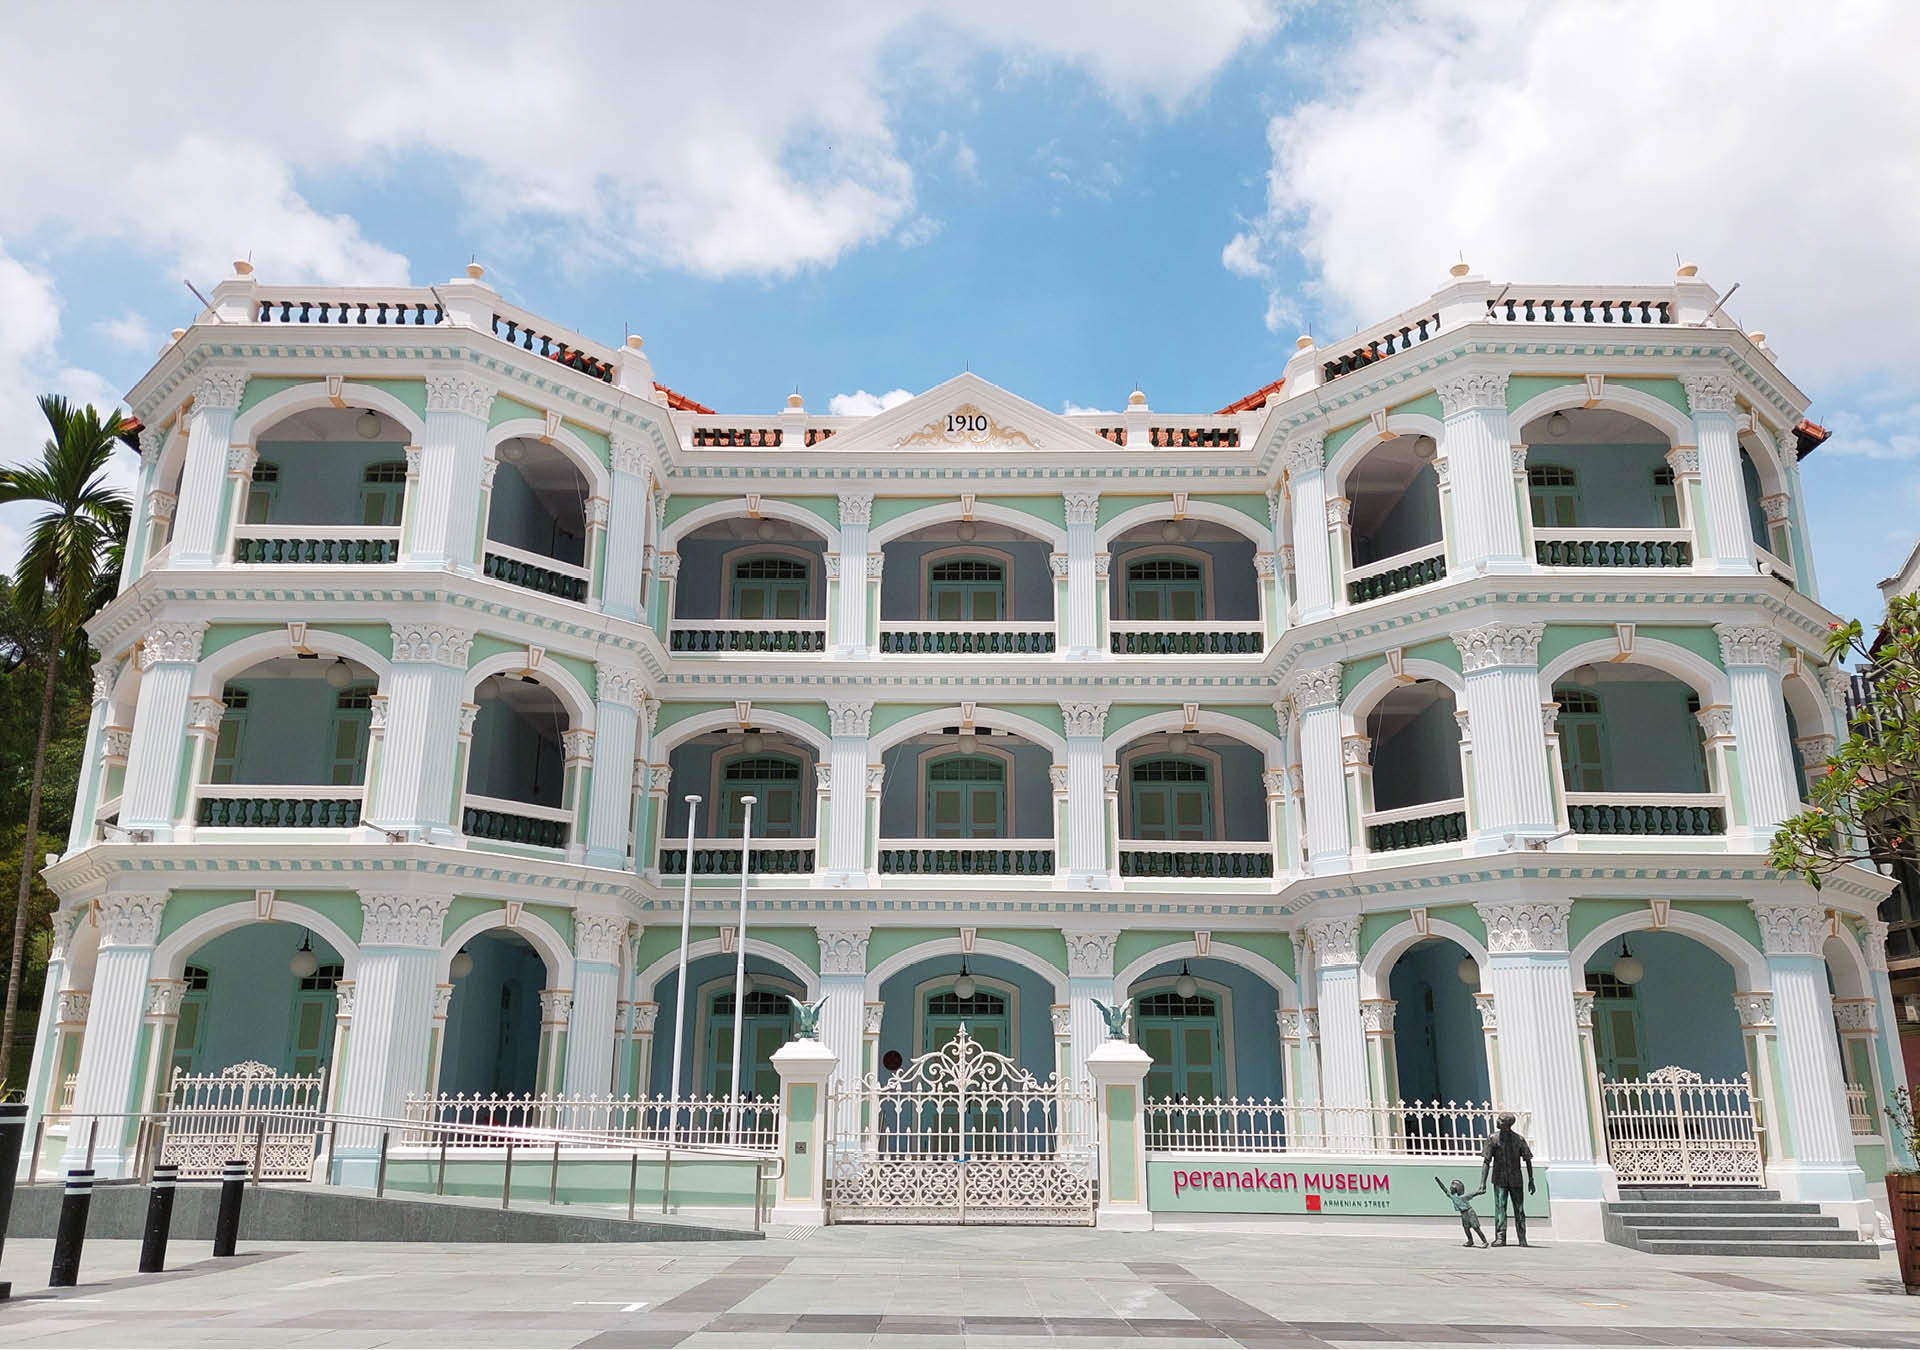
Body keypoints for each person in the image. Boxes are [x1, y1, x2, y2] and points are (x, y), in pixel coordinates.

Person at [1478, 1112, 1535, 1247]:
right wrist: (1482, 1183)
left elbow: (1527, 1160)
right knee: (1500, 1208)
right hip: (1499, 1179)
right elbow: (1486, 1161)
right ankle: (1500, 1237)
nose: (1497, 1121)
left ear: (1508, 1125)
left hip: (1516, 1179)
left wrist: (1531, 1179)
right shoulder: (1492, 1138)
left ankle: (1522, 1238)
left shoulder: (1519, 1140)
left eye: (1501, 1120)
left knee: (1519, 1209)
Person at [1435, 1176, 1489, 1248]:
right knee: (1466, 1228)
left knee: (1476, 1228)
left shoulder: (1464, 1196)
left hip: (1470, 1212)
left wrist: (1480, 1191)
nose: (1450, 1189)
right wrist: (1438, 1181)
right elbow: (1444, 1190)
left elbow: (1474, 1193)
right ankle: (1470, 1241)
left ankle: (1485, 1241)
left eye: (1452, 1188)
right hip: (1463, 1214)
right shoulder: (1453, 1197)